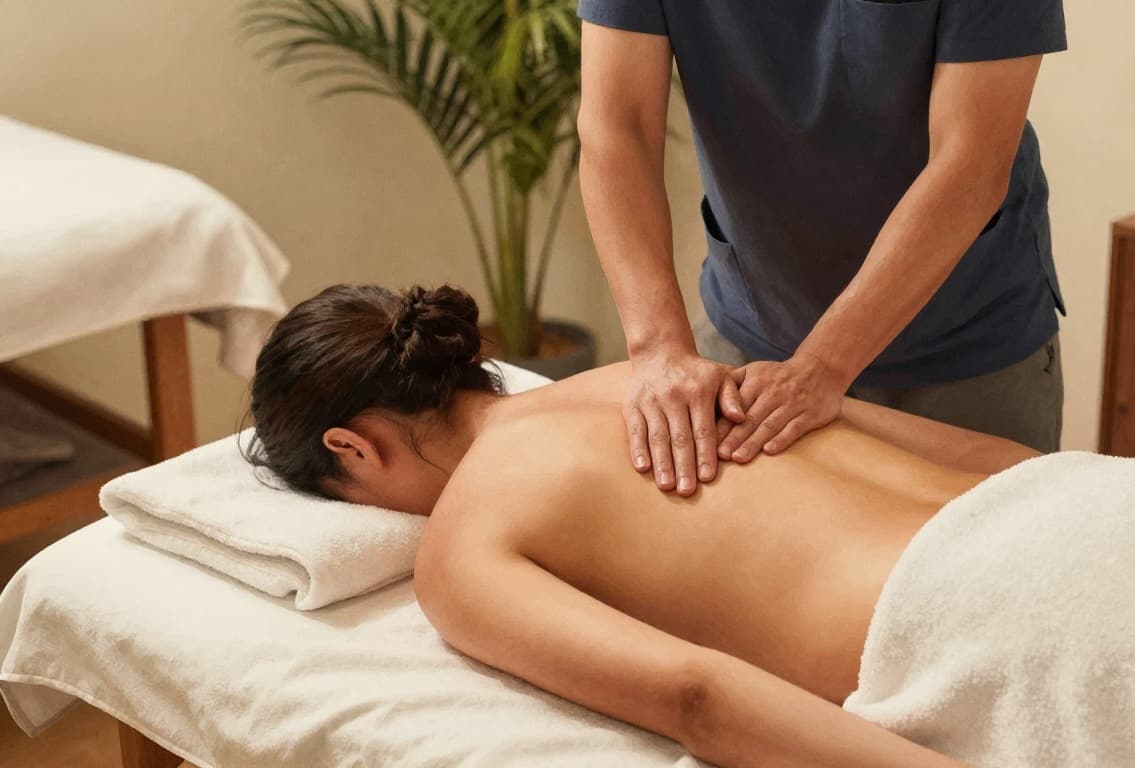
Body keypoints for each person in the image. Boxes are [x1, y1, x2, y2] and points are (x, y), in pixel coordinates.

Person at [246, 283, 1038, 768]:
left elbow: (699, 699)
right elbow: (976, 451)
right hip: (1085, 505)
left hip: (1009, 633)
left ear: (350, 447)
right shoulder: (651, 377)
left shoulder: (460, 551)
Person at [577, 0, 1069, 498]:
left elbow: (971, 163)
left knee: (978, 563)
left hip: (965, 344)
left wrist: (823, 365)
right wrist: (658, 348)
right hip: (755, 331)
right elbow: (619, 128)